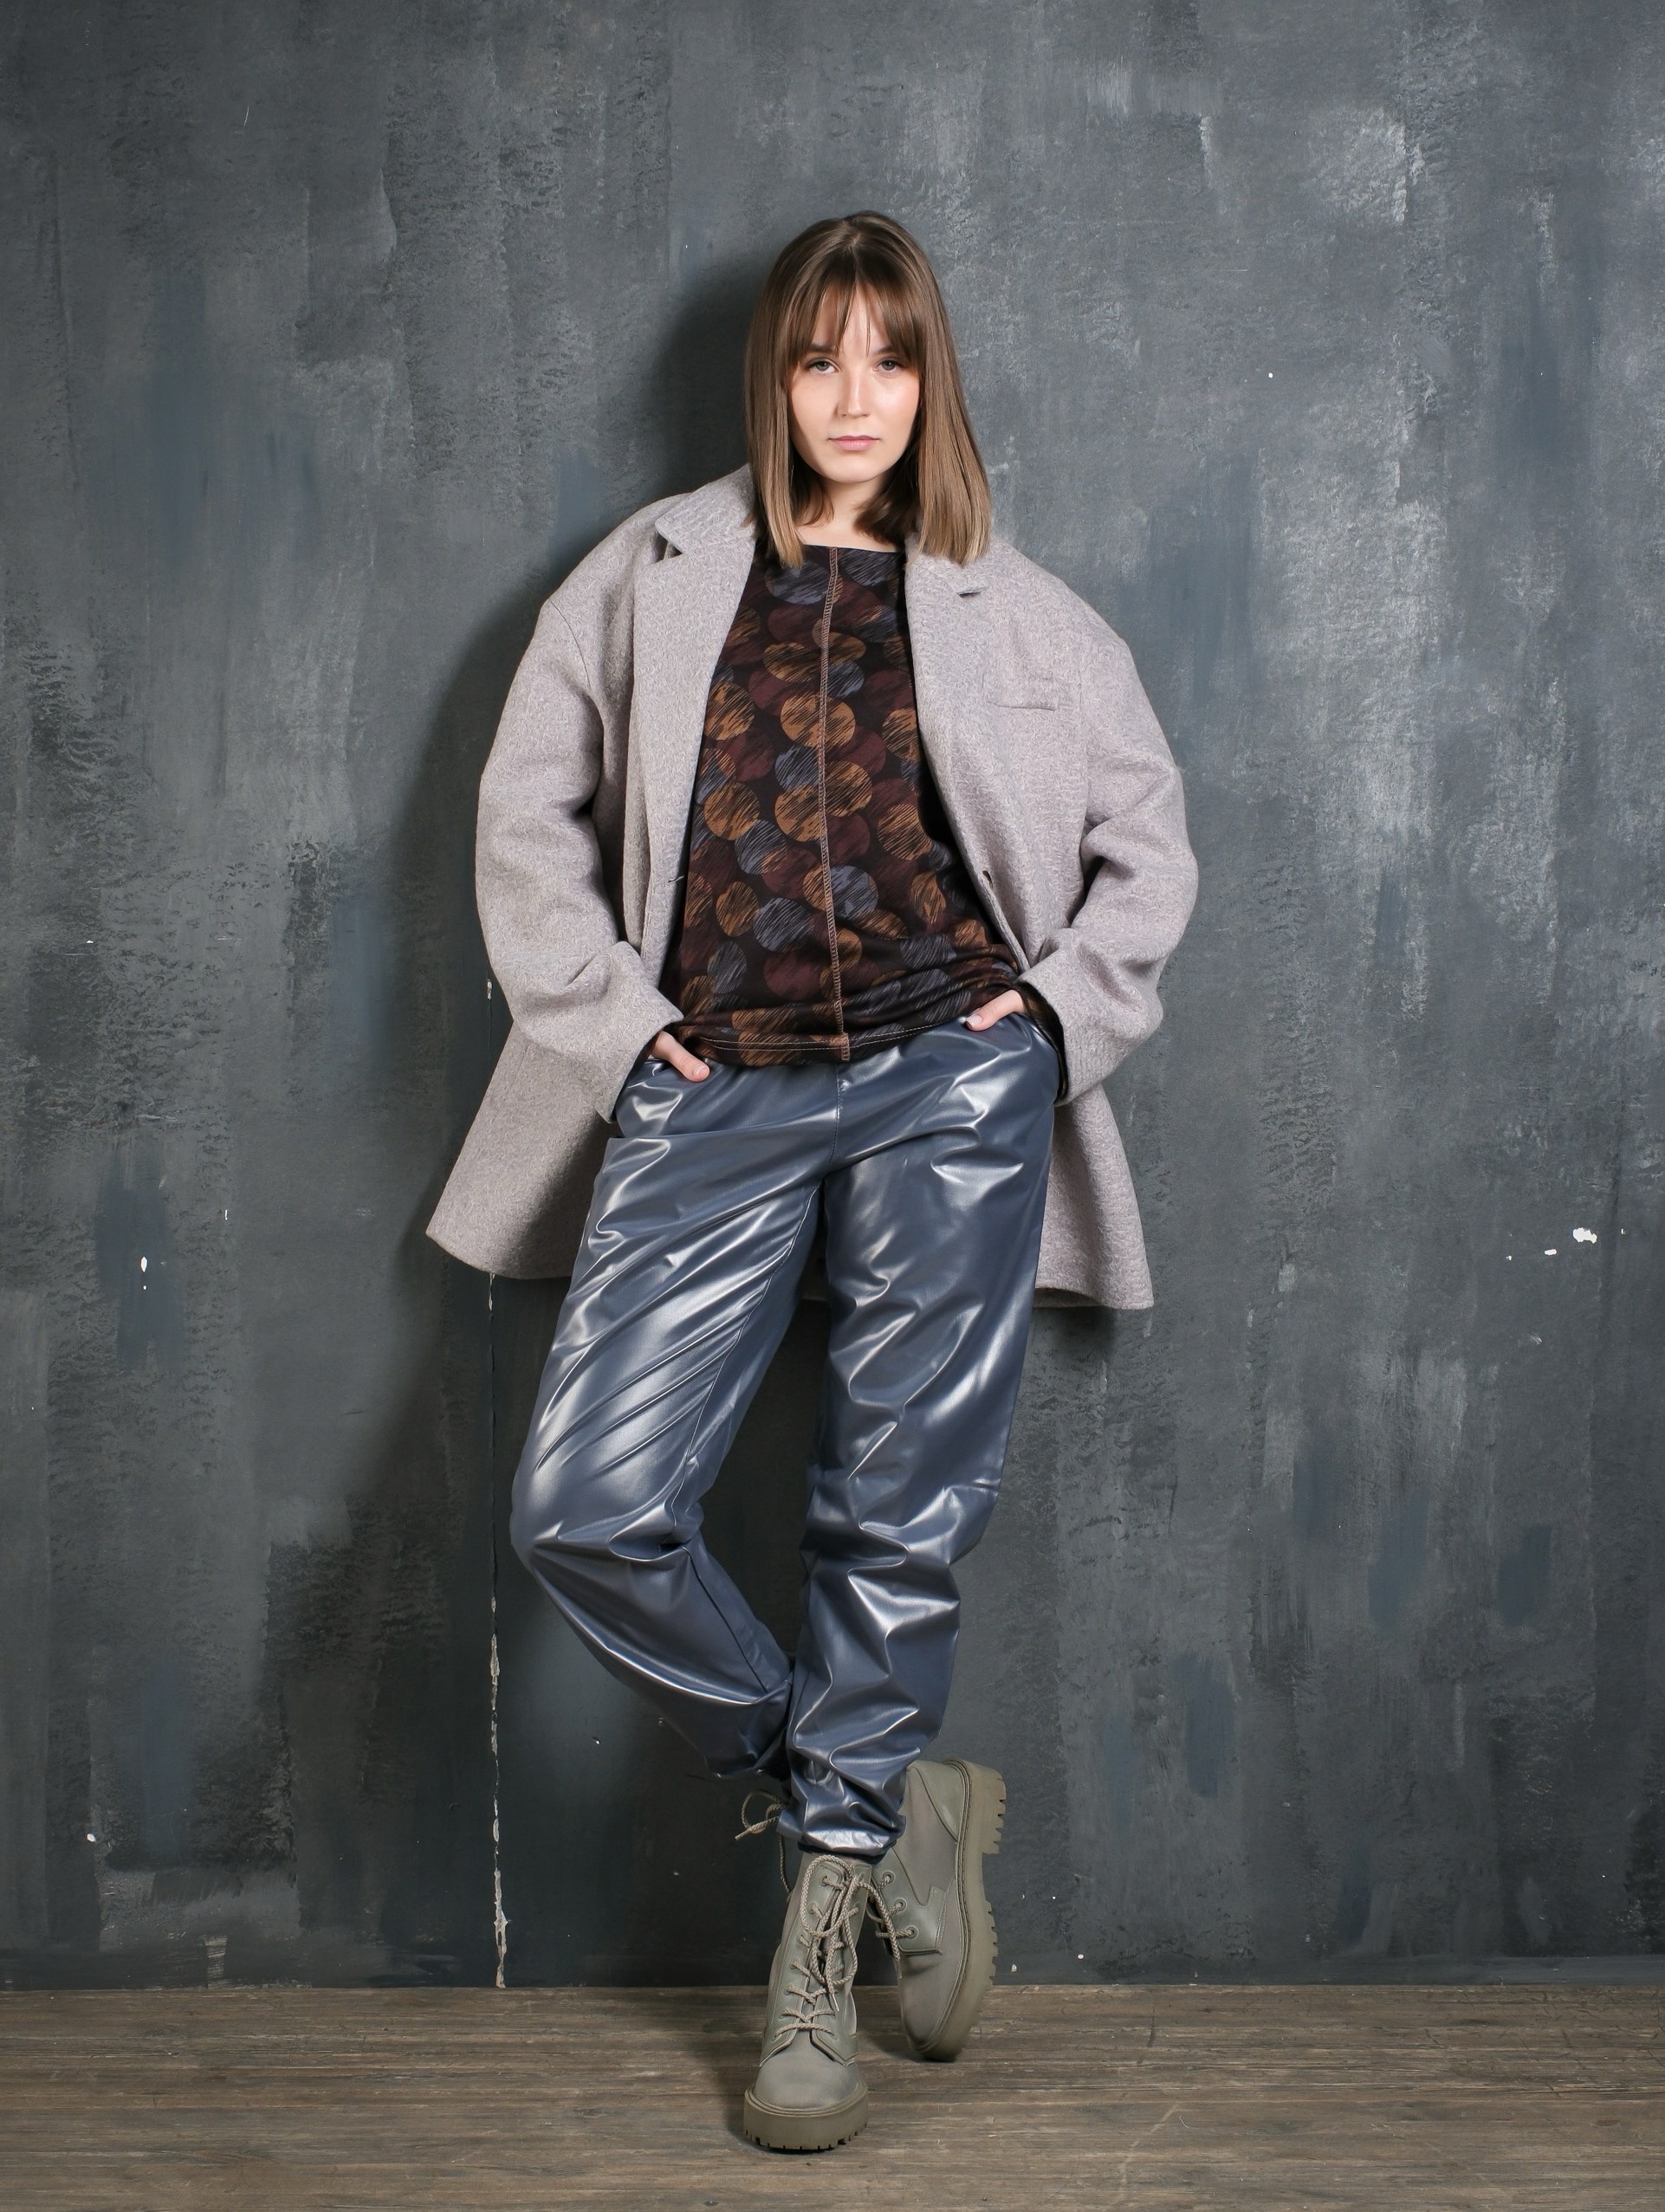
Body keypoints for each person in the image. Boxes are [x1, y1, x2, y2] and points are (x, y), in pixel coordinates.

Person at [425, 211, 1198, 2151]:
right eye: (817, 357)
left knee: (893, 1517)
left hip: (953, 1086)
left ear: (932, 381)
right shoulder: (654, 572)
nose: (855, 396)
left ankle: (822, 1927)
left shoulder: (1024, 611)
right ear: (772, 375)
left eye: (890, 358)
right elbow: (524, 822)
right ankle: (881, 1802)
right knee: (585, 1505)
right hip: (713, 1085)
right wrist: (620, 1030)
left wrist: (1043, 1027)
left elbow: (1149, 850)